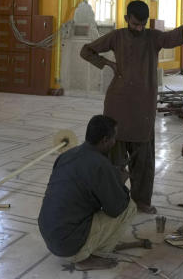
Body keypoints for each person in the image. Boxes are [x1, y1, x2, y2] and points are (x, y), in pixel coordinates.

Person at [80, 0, 183, 214]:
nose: (139, 28)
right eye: (135, 24)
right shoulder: (116, 36)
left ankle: (141, 201)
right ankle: (112, 201)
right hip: (117, 104)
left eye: (142, 24)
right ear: (126, 19)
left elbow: (172, 38)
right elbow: (86, 51)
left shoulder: (152, 37)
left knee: (143, 160)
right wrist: (108, 64)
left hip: (144, 105)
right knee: (113, 159)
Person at [38, 115, 137, 270]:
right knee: (130, 207)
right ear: (105, 140)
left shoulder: (66, 155)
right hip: (68, 246)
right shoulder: (101, 165)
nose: (115, 142)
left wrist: (110, 178)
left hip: (49, 235)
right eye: (113, 138)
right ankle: (88, 256)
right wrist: (119, 182)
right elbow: (116, 209)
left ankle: (88, 246)